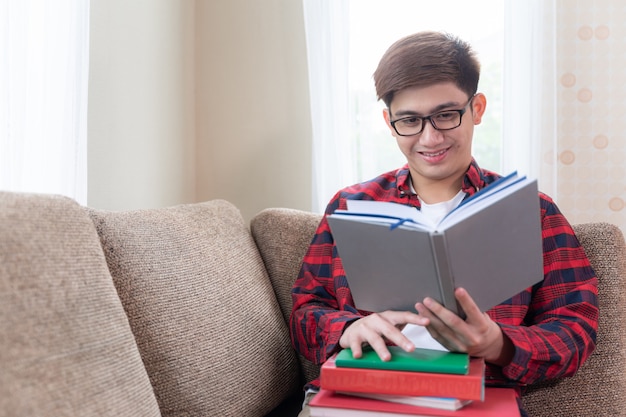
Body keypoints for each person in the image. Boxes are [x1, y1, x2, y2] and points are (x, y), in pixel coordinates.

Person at [290, 31, 599, 417]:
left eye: (446, 115)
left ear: (478, 108)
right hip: (360, 395)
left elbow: (576, 327)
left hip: (474, 399)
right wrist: (346, 329)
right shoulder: (351, 206)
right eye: (409, 120)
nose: (430, 137)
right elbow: (306, 309)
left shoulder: (532, 212)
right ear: (389, 122)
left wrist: (497, 344)